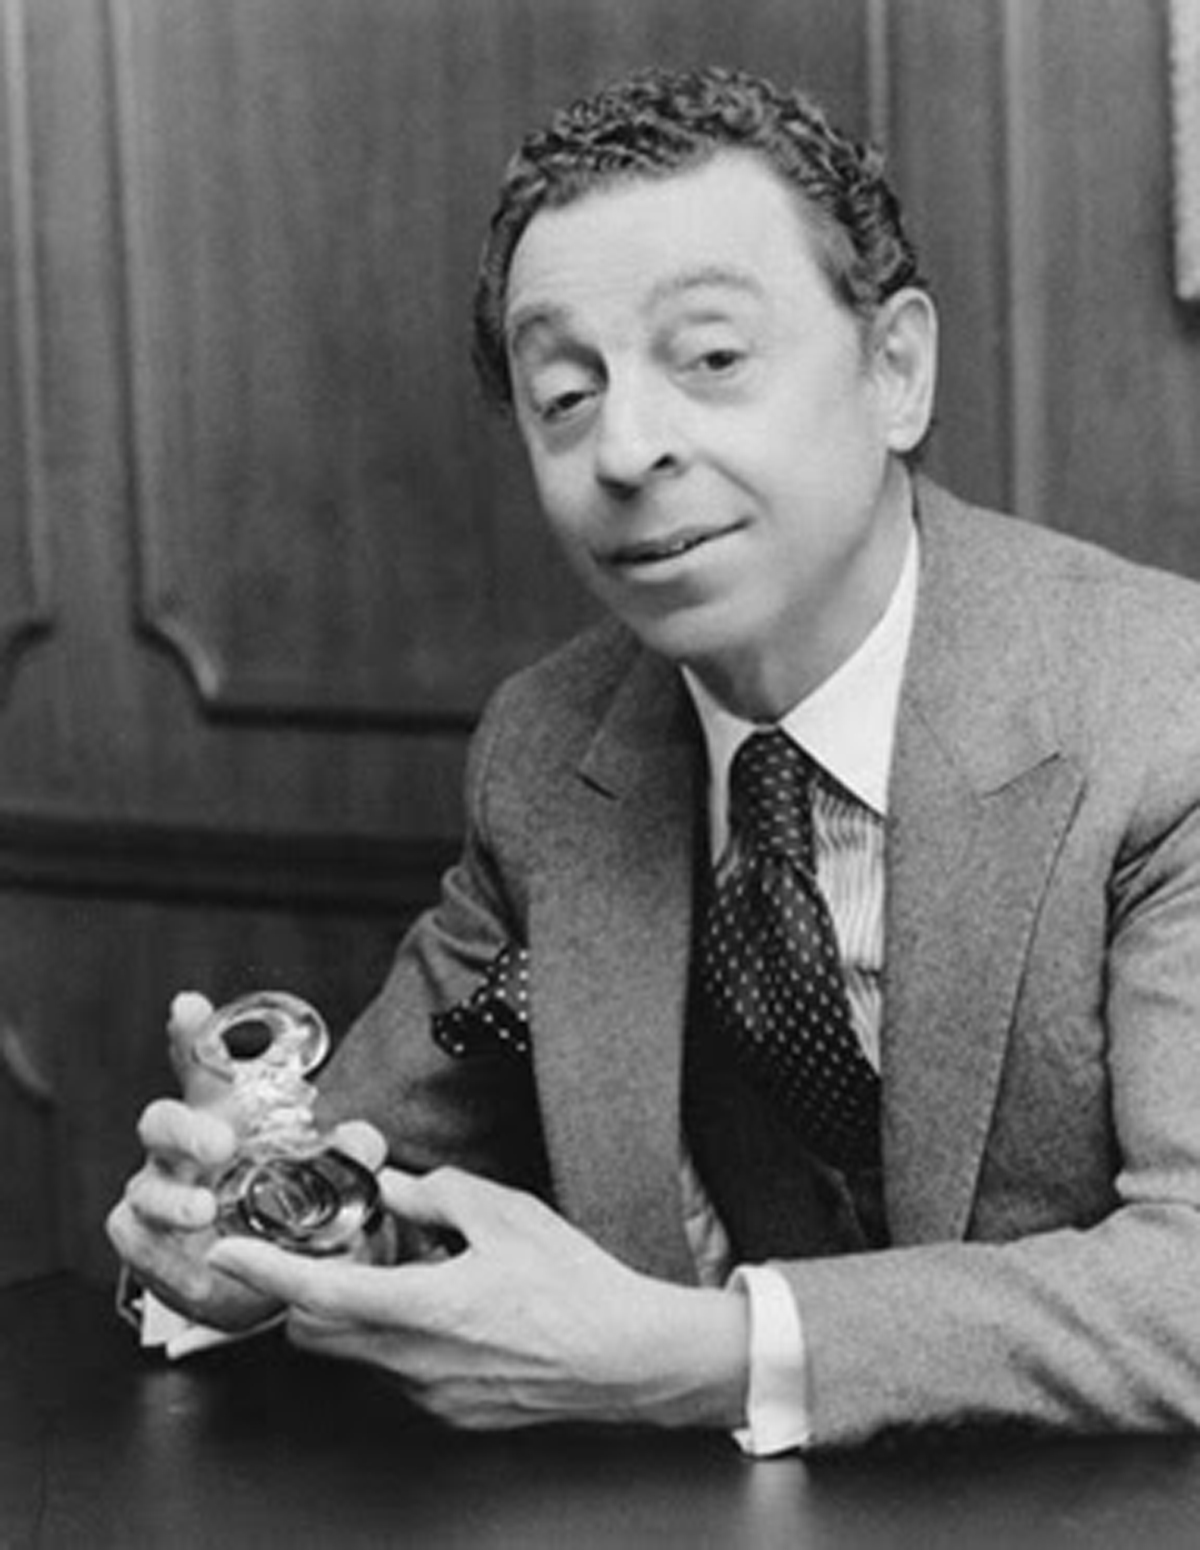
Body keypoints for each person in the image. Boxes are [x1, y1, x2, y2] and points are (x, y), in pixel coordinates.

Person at [107, 64, 1200, 1454]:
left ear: (896, 370)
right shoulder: (550, 752)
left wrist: (698, 1356)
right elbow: (384, 1164)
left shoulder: (1163, 708)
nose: (625, 449)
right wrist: (248, 1232)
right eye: (565, 394)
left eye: (713, 360)